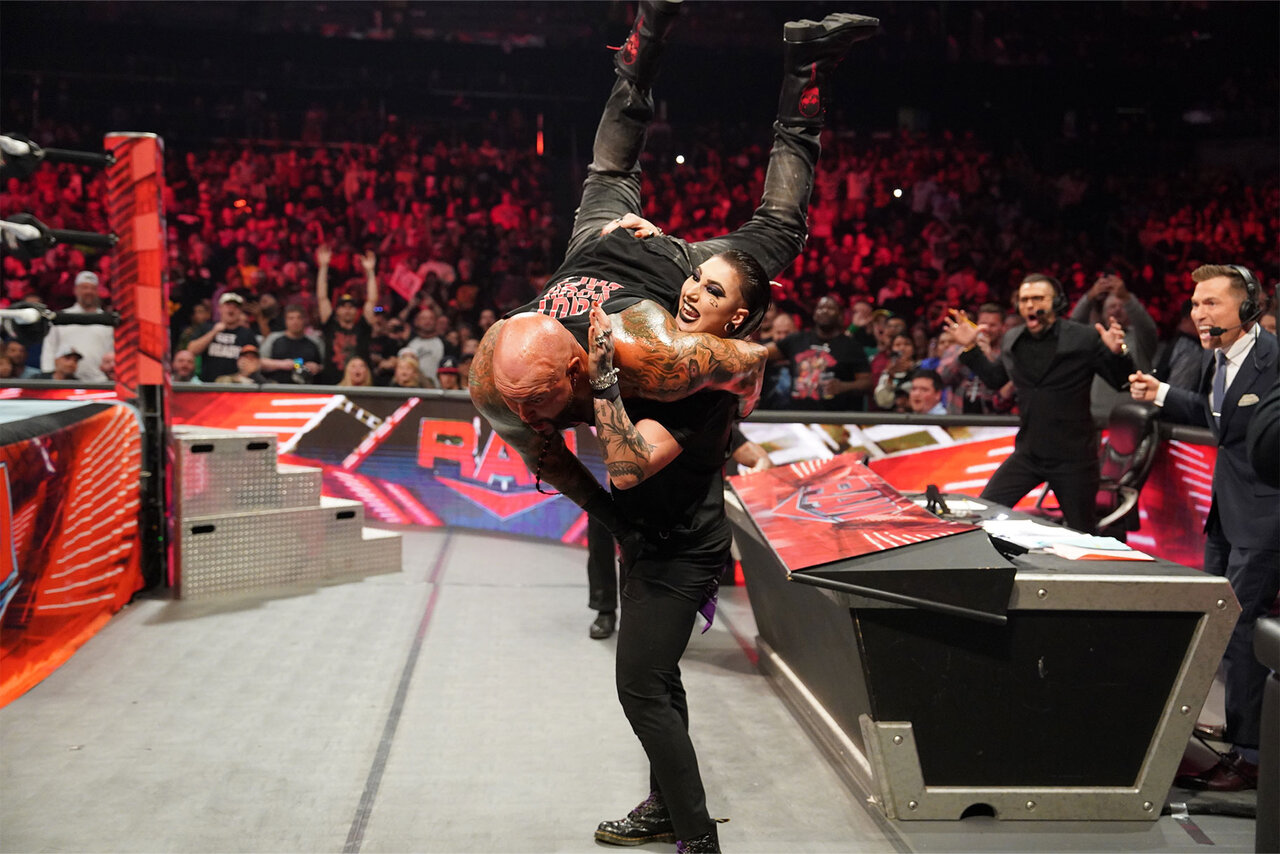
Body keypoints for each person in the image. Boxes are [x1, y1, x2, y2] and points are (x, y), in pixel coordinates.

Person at [468, 7, 878, 851]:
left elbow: (650, 443)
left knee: (643, 687)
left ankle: (695, 838)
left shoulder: (668, 355)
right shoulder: (527, 355)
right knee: (620, 166)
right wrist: (597, 497)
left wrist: (729, 364)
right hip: (603, 259)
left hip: (677, 527)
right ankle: (714, 45)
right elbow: (571, 461)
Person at [1129, 264, 1278, 792]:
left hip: (1264, 520)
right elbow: (1220, 421)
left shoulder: (1273, 361)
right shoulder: (1219, 358)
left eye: (1211, 302)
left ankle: (1252, 756)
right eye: (1195, 304)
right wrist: (1161, 393)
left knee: (1244, 628)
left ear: (1248, 307)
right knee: (1221, 623)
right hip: (1225, 515)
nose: (1198, 313)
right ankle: (1239, 728)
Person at [943, 273, 1133, 533]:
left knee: (1083, 533)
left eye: (1038, 298)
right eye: (1024, 300)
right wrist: (971, 349)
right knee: (983, 512)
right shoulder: (1013, 338)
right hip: (1029, 453)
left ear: (1057, 302)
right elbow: (996, 379)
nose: (1030, 305)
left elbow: (1121, 381)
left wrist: (1118, 353)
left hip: (1074, 458)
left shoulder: (1083, 337)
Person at [1070, 273, 1157, 420]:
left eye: (1121, 306)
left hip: (1135, 415)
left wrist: (1126, 298)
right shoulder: (1094, 338)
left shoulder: (1140, 339)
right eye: (1112, 306)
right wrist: (1090, 297)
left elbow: (1147, 326)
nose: (1117, 310)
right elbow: (1072, 327)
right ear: (1104, 314)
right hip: (1098, 414)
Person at [768, 293, 873, 411]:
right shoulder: (797, 339)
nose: (824, 311)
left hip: (834, 417)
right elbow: (763, 353)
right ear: (814, 314)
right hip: (797, 416)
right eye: (820, 308)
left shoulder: (851, 346)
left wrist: (843, 386)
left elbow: (867, 383)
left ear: (840, 315)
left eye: (830, 308)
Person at [316, 247, 379, 385]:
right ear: (337, 310)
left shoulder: (363, 327)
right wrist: (323, 267)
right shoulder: (330, 325)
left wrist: (370, 272)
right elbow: (322, 298)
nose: (347, 310)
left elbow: (372, 300)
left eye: (351, 307)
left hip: (360, 385)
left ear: (356, 311)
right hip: (332, 384)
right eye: (343, 307)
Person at [39, 270, 114, 383]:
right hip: (64, 382)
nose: (88, 291)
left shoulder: (108, 321)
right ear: (76, 290)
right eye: (84, 287)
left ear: (97, 291)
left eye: (92, 288)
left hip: (100, 381)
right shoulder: (60, 317)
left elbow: (112, 352)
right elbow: (49, 348)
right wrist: (48, 376)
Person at [188, 292, 258, 382]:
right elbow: (191, 350)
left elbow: (254, 362)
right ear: (219, 308)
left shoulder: (247, 334)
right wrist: (214, 332)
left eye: (236, 307)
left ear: (240, 311)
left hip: (236, 385)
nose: (231, 309)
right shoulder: (207, 327)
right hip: (207, 385)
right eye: (228, 305)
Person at [261, 304, 324, 384]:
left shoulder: (315, 341)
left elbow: (327, 366)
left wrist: (318, 368)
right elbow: (260, 362)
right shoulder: (273, 338)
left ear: (305, 320)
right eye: (291, 318)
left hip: (308, 387)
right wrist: (281, 364)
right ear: (285, 321)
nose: (295, 322)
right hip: (277, 386)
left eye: (299, 318)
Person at [872, 331, 920, 410]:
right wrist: (891, 375)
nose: (902, 348)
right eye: (897, 345)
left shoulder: (921, 368)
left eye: (907, 344)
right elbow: (882, 401)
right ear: (892, 349)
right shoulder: (887, 373)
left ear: (914, 349)